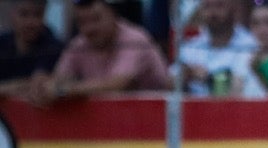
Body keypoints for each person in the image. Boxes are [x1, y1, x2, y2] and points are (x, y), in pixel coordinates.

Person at [28, 0, 170, 103]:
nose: (89, 29)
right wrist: (46, 87)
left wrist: (63, 91)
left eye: (96, 19)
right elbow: (60, 79)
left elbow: (117, 84)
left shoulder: (135, 39)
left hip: (156, 125)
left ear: (114, 15)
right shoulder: (79, 44)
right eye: (82, 22)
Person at [178, 0, 263, 95]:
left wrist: (208, 78)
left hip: (237, 108)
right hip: (194, 108)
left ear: (233, 7)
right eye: (207, 6)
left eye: (219, 5)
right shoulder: (190, 47)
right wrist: (186, 75)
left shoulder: (251, 45)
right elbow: (169, 84)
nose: (213, 12)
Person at [0, 0, 63, 98]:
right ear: (12, 14)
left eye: (37, 15)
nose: (30, 22)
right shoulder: (2, 42)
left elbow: (36, 83)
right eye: (24, 14)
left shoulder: (53, 46)